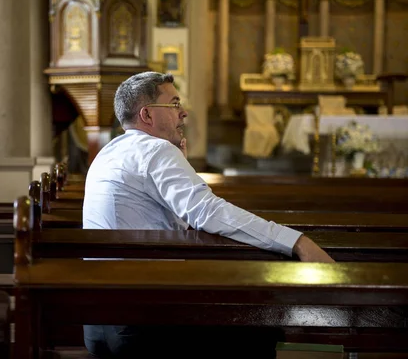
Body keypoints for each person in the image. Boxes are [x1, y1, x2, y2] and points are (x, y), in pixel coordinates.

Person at [82, 71, 334, 358]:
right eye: (174, 104)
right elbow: (209, 213)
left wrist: (183, 165)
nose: (183, 113)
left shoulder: (108, 152)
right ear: (147, 115)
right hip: (140, 326)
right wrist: (296, 242)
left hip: (100, 322)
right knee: (260, 329)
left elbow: (165, 223)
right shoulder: (155, 151)